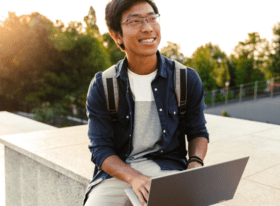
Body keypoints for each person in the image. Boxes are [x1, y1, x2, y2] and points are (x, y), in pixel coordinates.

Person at [84, 0, 209, 205]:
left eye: (152, 18)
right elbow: (100, 149)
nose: (148, 27)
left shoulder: (185, 79)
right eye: (135, 21)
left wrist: (195, 164)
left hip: (167, 168)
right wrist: (134, 177)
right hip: (119, 174)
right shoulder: (103, 85)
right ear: (117, 36)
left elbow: (197, 132)